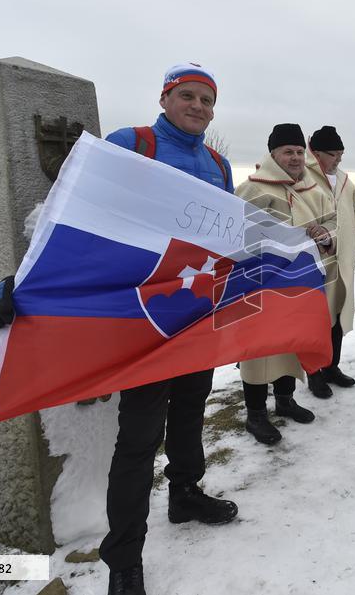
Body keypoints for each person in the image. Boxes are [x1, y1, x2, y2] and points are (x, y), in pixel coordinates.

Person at [89, 64, 238, 595]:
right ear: (165, 98)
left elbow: (228, 232)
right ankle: (124, 557)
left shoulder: (218, 163)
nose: (198, 106)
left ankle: (185, 494)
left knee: (191, 409)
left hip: (196, 312)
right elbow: (75, 213)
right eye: (187, 96)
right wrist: (27, 278)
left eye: (207, 100)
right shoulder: (132, 144)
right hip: (144, 315)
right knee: (139, 435)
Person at [235, 123, 335, 443]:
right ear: (273, 154)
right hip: (262, 283)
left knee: (290, 344)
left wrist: (325, 234)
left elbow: (333, 222)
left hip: (298, 284)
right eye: (288, 151)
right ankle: (255, 414)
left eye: (299, 152)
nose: (295, 158)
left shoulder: (313, 190)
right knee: (259, 350)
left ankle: (285, 400)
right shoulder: (253, 188)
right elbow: (236, 233)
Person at [302, 126, 355, 398]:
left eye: (341, 154)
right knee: (316, 320)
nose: (338, 160)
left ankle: (332, 366)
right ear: (317, 153)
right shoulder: (304, 177)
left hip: (342, 260)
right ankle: (314, 373)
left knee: (337, 318)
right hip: (315, 261)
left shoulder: (345, 181)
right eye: (333, 154)